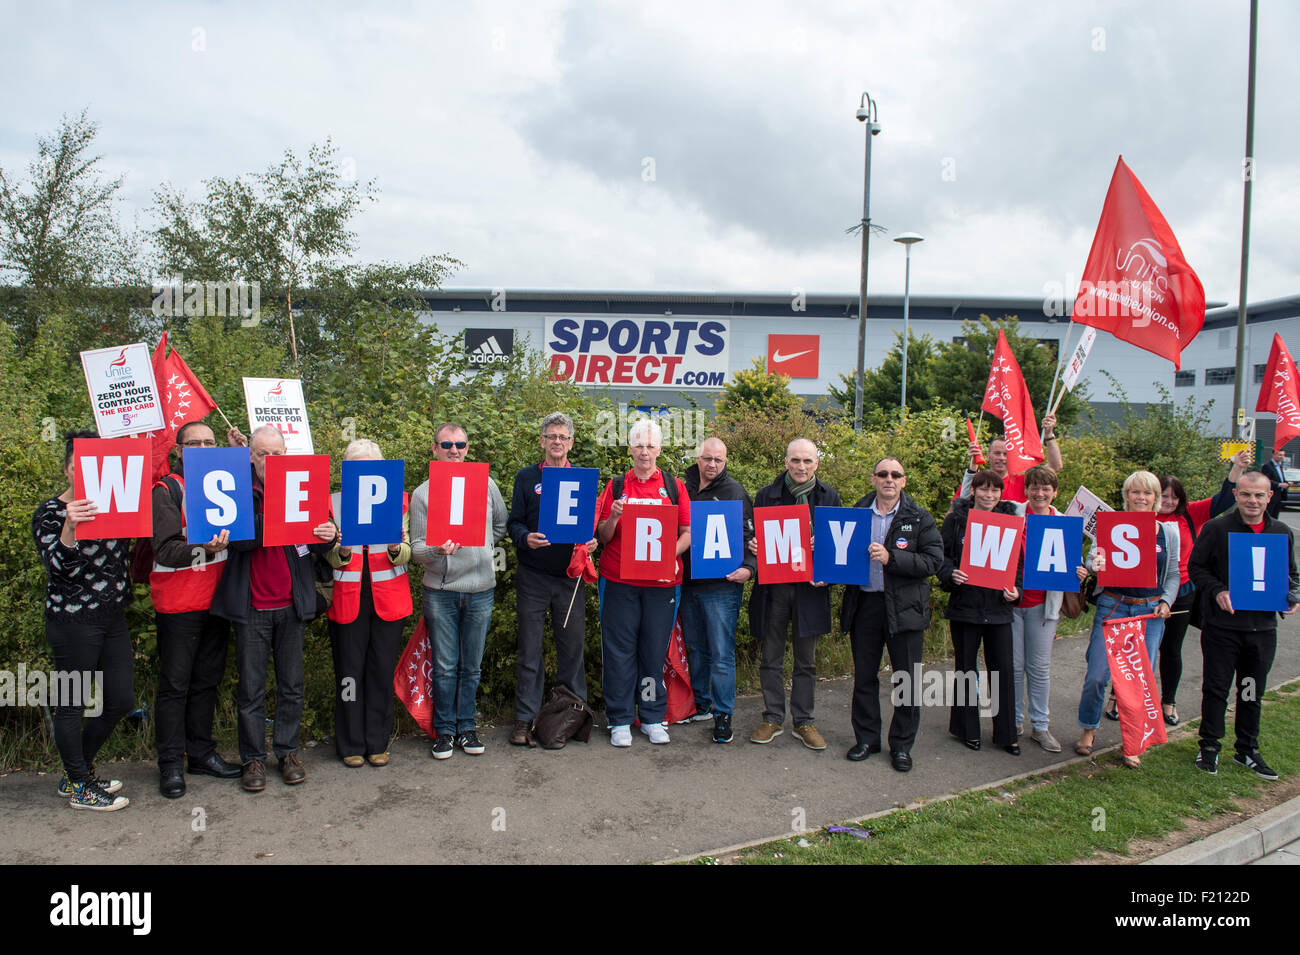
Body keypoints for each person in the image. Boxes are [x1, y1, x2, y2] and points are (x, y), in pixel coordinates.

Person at [211, 425, 338, 792]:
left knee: (292, 686)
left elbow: (316, 546)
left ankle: (286, 751)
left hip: (292, 605)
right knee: (251, 690)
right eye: (264, 454)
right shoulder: (237, 487)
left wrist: (330, 533)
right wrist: (283, 519)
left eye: (278, 453)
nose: (272, 460)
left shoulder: (304, 486)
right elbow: (241, 539)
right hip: (252, 607)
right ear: (251, 456)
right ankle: (253, 758)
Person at [32, 431, 133, 811]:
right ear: (68, 469)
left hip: (112, 618)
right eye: (78, 465)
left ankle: (79, 771)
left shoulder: (119, 503)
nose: (85, 471)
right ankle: (79, 785)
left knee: (120, 700)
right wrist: (70, 527)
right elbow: (59, 569)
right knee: (71, 704)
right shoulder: (51, 513)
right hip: (72, 622)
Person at [150, 421, 243, 798]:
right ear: (179, 451)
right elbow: (165, 549)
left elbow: (262, 475)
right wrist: (204, 548)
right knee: (175, 686)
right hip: (178, 604)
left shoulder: (222, 481)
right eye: (195, 443)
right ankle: (170, 764)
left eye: (210, 441)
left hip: (216, 600)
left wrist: (241, 449)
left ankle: (201, 753)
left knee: (207, 681)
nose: (204, 447)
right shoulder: (167, 489)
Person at [1190, 471, 1299, 778]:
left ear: (1269, 497)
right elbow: (1196, 568)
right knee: (1216, 688)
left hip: (1261, 631)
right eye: (1246, 494)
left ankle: (1246, 749)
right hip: (1223, 629)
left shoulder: (1281, 532)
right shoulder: (1216, 528)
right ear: (1236, 495)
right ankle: (1209, 747)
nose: (1253, 500)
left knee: (1251, 690)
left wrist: (1293, 596)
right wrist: (1218, 590)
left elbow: (1292, 575)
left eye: (1259, 495)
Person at [410, 422, 508, 759]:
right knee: (446, 665)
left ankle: (467, 727)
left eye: (461, 444)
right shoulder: (423, 493)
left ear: (467, 449)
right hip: (441, 591)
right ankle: (445, 730)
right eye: (447, 444)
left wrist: (481, 550)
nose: (455, 450)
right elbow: (416, 550)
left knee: (472, 666)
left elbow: (500, 525)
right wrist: (439, 551)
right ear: (434, 449)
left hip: (481, 588)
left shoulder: (487, 485)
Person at [840, 457, 943, 772]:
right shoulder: (855, 513)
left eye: (895, 474)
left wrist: (892, 558)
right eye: (882, 474)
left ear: (904, 481)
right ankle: (867, 740)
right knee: (865, 678)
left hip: (905, 609)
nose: (888, 479)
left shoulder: (919, 517)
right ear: (873, 479)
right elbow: (840, 554)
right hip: (866, 606)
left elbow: (933, 562)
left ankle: (901, 746)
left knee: (907, 681)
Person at [1073, 470, 1179, 769]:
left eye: (1147, 493)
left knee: (1137, 682)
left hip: (1148, 612)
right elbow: (1093, 560)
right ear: (1127, 496)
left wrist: (1166, 600)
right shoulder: (1111, 524)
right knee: (1097, 675)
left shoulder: (1166, 532)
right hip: (1113, 607)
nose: (1141, 498)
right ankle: (1088, 730)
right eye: (1135, 492)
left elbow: (1172, 574)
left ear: (1156, 498)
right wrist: (1094, 565)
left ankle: (1132, 743)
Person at [595, 418, 690, 747]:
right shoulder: (617, 485)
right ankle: (619, 718)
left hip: (662, 584)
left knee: (652, 653)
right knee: (619, 651)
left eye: (650, 446)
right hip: (619, 580)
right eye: (639, 445)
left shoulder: (675, 487)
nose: (645, 452)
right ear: (630, 449)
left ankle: (651, 715)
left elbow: (687, 533)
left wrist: (667, 560)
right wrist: (615, 516)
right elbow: (604, 536)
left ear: (659, 449)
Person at [506, 412, 597, 746]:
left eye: (563, 437)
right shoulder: (526, 477)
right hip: (533, 577)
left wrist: (592, 541)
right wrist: (524, 537)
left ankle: (569, 719)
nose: (557, 442)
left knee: (571, 650)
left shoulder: (584, 479)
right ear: (542, 440)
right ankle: (524, 720)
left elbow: (591, 529)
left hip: (569, 579)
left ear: (571, 442)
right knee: (529, 651)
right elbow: (513, 523)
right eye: (551, 436)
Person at [747, 438, 841, 751]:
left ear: (817, 464)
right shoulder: (766, 495)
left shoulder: (829, 497)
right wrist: (754, 547)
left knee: (806, 661)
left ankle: (804, 721)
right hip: (775, 589)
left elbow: (839, 544)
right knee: (770, 657)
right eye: (796, 460)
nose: (801, 467)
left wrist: (825, 562)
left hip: (810, 590)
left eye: (808, 461)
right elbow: (753, 535)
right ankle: (773, 716)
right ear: (786, 461)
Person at [325, 439, 412, 767]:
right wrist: (342, 551)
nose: (364, 473)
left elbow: (407, 554)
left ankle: (377, 741)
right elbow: (328, 558)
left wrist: (394, 546)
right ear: (347, 470)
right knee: (349, 675)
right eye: (357, 466)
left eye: (370, 466)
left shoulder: (397, 501)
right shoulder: (333, 502)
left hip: (388, 600)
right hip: (347, 600)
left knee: (379, 672)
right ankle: (350, 744)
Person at [938, 469, 1021, 755]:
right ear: (973, 490)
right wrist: (951, 574)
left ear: (1001, 494)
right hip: (965, 607)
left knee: (1003, 672)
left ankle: (1006, 733)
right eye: (983, 489)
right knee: (966, 670)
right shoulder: (955, 520)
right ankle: (966, 729)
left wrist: (1016, 591)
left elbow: (1018, 565)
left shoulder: (1011, 521)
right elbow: (941, 558)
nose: (989, 495)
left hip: (998, 609)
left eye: (994, 490)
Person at [680, 436, 756, 744]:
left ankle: (724, 714)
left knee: (721, 653)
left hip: (721, 587)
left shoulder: (734, 492)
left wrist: (749, 568)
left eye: (718, 460)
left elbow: (752, 538)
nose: (712, 464)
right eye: (707, 458)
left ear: (726, 462)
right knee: (695, 648)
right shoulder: (680, 485)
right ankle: (702, 704)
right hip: (686, 583)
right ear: (697, 458)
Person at [1008, 465, 1065, 752]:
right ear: (1026, 489)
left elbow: (1069, 563)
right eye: (1034, 487)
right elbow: (971, 500)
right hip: (1012, 604)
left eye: (1046, 488)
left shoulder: (1064, 522)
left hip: (1043, 606)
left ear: (1054, 492)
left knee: (1039, 668)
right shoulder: (1012, 513)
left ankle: (1040, 726)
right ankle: (1015, 721)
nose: (1039, 493)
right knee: (1015, 667)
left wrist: (1079, 570)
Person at [960, 412, 1063, 504]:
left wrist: (1049, 435)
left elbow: (1055, 467)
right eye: (997, 453)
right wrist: (973, 466)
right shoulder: (977, 481)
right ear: (987, 456)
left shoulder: (1024, 481)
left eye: (1006, 454)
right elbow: (957, 508)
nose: (1001, 458)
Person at [1262, 448, 1290, 519]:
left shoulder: (1279, 466)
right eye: (1280, 455)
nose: (1282, 457)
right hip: (1271, 495)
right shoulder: (1267, 466)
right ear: (1273, 455)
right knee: (1268, 515)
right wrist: (1279, 484)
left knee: (1275, 516)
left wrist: (1287, 483)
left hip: (1279, 495)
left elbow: (1280, 479)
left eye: (1283, 455)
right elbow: (1265, 480)